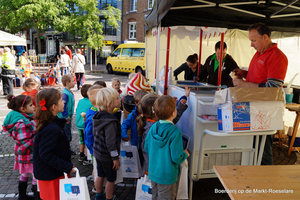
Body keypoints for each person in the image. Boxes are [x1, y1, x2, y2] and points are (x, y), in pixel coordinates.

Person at [233, 23, 288, 165]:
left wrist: (244, 85)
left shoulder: (277, 56)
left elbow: (273, 88)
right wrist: (245, 74)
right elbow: (261, 77)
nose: (251, 45)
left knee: (262, 150)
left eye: (253, 40)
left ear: (265, 37)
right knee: (253, 147)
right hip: (254, 107)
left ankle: (265, 183)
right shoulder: (259, 53)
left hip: (266, 111)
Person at [144, 95, 190, 200]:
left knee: (155, 197)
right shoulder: (175, 132)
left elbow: (146, 147)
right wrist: (185, 154)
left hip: (153, 172)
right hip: (167, 176)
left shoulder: (153, 127)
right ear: (173, 113)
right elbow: (176, 157)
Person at [33, 88, 76, 200]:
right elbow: (46, 154)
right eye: (61, 100)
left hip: (54, 172)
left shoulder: (52, 124)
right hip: (51, 175)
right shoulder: (51, 129)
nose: (64, 102)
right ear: (54, 107)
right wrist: (66, 166)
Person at [137, 86, 190, 174]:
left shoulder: (149, 124)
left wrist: (183, 98)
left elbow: (146, 148)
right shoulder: (158, 127)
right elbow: (173, 117)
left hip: (150, 169)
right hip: (161, 171)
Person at [2, 94, 40, 199]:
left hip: (25, 154)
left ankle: (22, 196)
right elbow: (26, 142)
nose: (34, 107)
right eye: (31, 105)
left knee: (25, 174)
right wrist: (38, 141)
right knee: (35, 175)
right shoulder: (23, 123)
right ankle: (37, 196)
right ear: (23, 109)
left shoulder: (26, 119)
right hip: (28, 154)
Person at [93, 87, 121, 200]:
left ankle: (98, 196)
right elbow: (110, 142)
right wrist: (115, 158)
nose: (120, 100)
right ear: (110, 103)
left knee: (100, 175)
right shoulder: (111, 122)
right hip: (107, 156)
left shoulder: (98, 116)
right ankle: (109, 198)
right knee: (111, 179)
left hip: (98, 153)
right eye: (118, 98)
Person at [84, 84, 104, 192]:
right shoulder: (93, 115)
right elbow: (88, 133)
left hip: (95, 148)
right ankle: (97, 188)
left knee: (96, 168)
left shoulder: (93, 110)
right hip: (95, 149)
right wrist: (92, 148)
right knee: (96, 168)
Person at [75, 84, 92, 165]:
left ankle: (81, 155)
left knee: (81, 141)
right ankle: (86, 158)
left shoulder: (80, 101)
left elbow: (77, 110)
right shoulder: (91, 102)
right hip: (86, 124)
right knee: (87, 140)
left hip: (79, 124)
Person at [57, 75, 75, 145]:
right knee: (66, 134)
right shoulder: (65, 93)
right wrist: (66, 117)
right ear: (67, 83)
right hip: (64, 118)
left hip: (68, 116)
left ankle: (68, 148)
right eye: (72, 81)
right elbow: (63, 106)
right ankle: (67, 149)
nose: (74, 83)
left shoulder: (69, 92)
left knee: (68, 132)